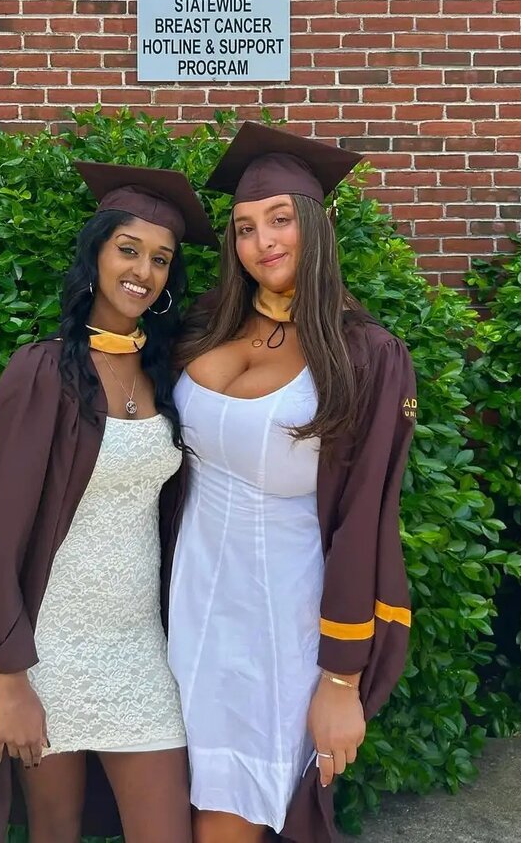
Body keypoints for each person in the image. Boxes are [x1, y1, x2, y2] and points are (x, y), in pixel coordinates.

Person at [0, 162, 217, 843]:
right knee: (55, 828)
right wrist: (10, 683)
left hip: (139, 647)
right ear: (96, 256)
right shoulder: (44, 372)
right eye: (128, 250)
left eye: (160, 259)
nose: (143, 271)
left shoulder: (166, 374)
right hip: (46, 650)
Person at [168, 122, 417, 843]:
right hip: (185, 601)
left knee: (232, 806)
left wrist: (341, 679)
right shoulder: (204, 324)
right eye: (245, 227)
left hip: (277, 617)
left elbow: (364, 522)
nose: (262, 242)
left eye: (280, 219)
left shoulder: (366, 356)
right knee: (175, 797)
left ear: (319, 222)